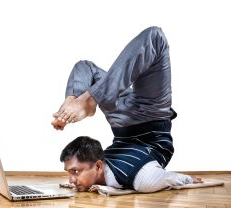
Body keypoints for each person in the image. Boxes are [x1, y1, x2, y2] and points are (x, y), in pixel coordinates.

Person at [51, 26, 202, 192]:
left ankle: (76, 99)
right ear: (98, 167)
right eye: (72, 173)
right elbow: (170, 178)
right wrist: (187, 179)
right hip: (151, 114)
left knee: (84, 66)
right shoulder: (141, 177)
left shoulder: (99, 164)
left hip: (120, 121)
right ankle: (92, 98)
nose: (72, 180)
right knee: (155, 37)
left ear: (99, 166)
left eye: (75, 172)